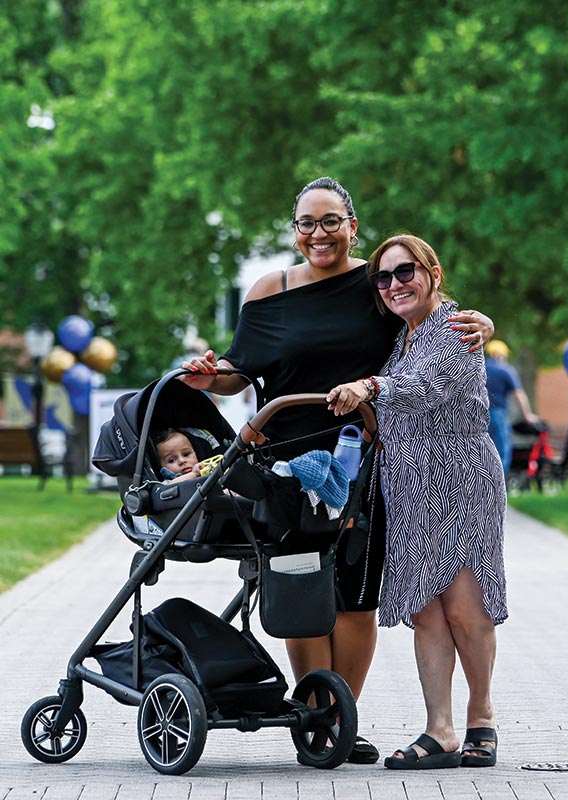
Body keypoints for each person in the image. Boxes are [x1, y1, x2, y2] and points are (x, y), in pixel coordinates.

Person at [181, 177, 494, 765]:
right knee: (300, 587)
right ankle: (316, 721)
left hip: (365, 462)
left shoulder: (375, 284)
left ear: (352, 225)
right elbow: (238, 369)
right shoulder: (269, 290)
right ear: (294, 230)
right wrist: (209, 376)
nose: (318, 233)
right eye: (306, 223)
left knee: (354, 595)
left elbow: (427, 327)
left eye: (330, 221)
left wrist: (484, 325)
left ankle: (340, 719)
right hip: (286, 465)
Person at [326, 233, 507, 770]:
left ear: (433, 273)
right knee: (425, 608)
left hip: (461, 482)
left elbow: (425, 386)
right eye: (383, 277)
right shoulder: (401, 337)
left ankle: (481, 716)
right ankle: (440, 730)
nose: (394, 284)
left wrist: (370, 387)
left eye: (405, 272)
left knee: (465, 608)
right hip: (407, 488)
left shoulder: (454, 328)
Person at [485, 339, 539, 476]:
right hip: (498, 414)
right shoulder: (506, 370)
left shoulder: (481, 368)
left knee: (484, 450)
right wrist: (528, 415)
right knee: (502, 450)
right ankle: (499, 483)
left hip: (479, 415)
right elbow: (519, 395)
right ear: (502, 355)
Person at [154, 428, 221, 483]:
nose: (182, 461)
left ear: (195, 453)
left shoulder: (207, 469)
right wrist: (194, 474)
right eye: (171, 460)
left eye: (186, 454)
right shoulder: (168, 483)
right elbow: (169, 487)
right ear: (161, 466)